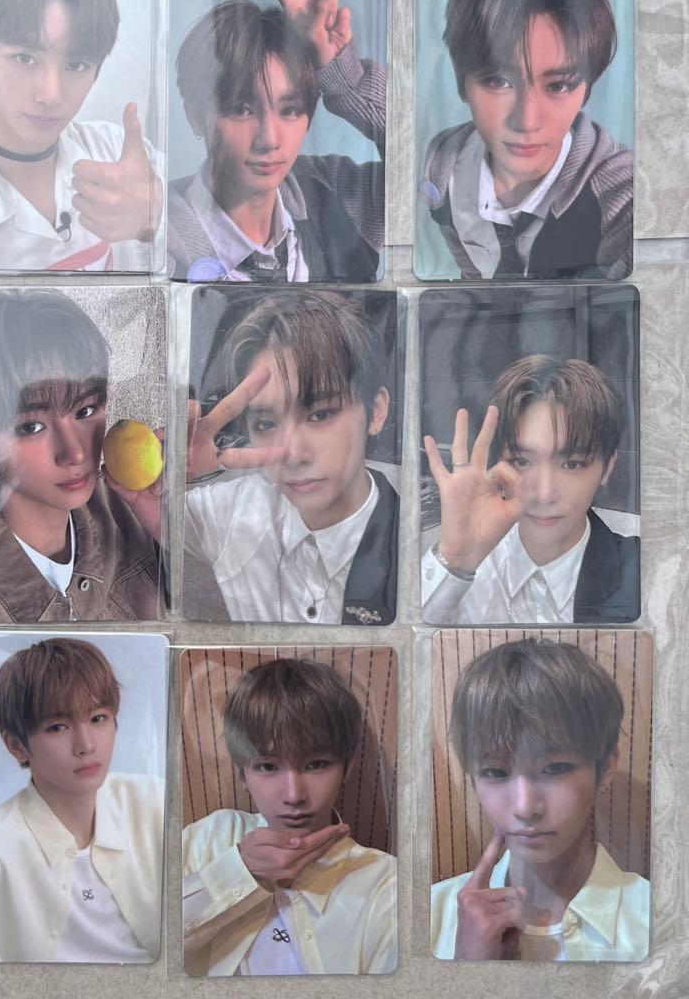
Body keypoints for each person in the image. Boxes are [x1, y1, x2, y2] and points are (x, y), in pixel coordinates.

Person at [119, 289, 396, 624]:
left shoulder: (419, 551)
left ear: (376, 412)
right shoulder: (234, 513)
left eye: (320, 415)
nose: (293, 454)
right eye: (266, 424)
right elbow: (144, 509)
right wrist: (162, 468)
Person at [169, 0, 384, 282]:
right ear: (196, 117)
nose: (269, 139)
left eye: (289, 110)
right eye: (242, 110)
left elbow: (422, 166)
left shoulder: (331, 192)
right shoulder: (159, 229)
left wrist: (343, 78)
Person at [0, 288, 164, 623]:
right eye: (31, 427)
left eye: (85, 411)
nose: (75, 452)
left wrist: (173, 533)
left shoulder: (134, 508)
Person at [418, 0, 632, 281]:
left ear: (587, 89)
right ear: (462, 82)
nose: (527, 120)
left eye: (557, 86)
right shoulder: (441, 170)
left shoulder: (617, 190)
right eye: (498, 81)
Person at [0, 0, 162, 272]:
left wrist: (155, 217)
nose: (50, 94)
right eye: (25, 58)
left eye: (75, 64)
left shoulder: (116, 151)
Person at [0, 637, 163, 963]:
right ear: (17, 746)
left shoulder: (153, 803)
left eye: (98, 718)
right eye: (58, 727)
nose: (86, 744)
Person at [430, 638, 648, 961]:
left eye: (555, 768)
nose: (524, 808)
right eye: (495, 772)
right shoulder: (429, 915)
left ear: (604, 768)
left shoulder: (660, 919)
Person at [182, 657, 397, 976]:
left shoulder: (385, 884)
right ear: (242, 774)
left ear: (347, 767)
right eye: (268, 766)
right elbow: (142, 943)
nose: (294, 795)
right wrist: (239, 872)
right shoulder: (209, 838)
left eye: (316, 764)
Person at [421, 354, 639, 624]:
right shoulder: (466, 569)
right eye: (522, 461)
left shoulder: (645, 574)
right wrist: (454, 561)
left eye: (572, 464)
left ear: (607, 467)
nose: (544, 494)